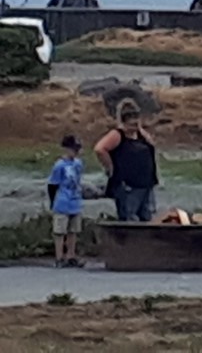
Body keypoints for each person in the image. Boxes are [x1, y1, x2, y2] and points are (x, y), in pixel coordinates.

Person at [94, 99, 159, 222]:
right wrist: (110, 167)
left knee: (148, 216)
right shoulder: (118, 135)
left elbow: (152, 144)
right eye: (131, 123)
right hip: (128, 186)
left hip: (146, 184)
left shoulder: (140, 135)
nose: (134, 125)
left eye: (136, 121)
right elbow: (100, 149)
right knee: (130, 217)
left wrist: (140, 130)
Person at [46, 134, 85, 267]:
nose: (76, 152)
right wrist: (53, 202)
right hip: (62, 200)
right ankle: (59, 257)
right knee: (60, 231)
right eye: (73, 149)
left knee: (73, 230)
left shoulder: (78, 164)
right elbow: (52, 185)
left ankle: (71, 255)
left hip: (75, 200)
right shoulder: (59, 166)